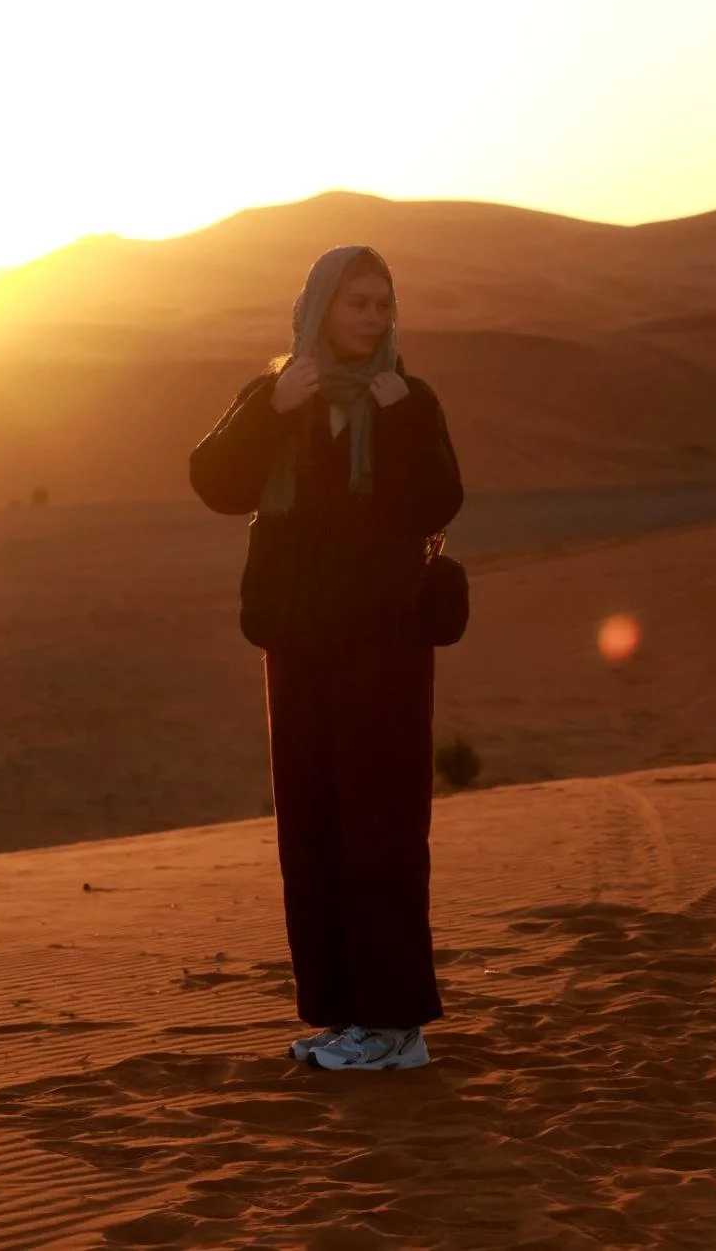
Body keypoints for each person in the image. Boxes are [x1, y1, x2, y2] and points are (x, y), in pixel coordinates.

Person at [188, 244, 464, 1070]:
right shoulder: (277, 393)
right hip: (297, 645)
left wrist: (404, 419)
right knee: (312, 834)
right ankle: (344, 1016)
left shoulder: (407, 397)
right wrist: (269, 408)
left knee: (381, 830)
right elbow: (215, 483)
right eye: (358, 304)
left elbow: (440, 499)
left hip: (382, 649)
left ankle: (395, 1026)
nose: (374, 318)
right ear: (319, 309)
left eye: (383, 304)